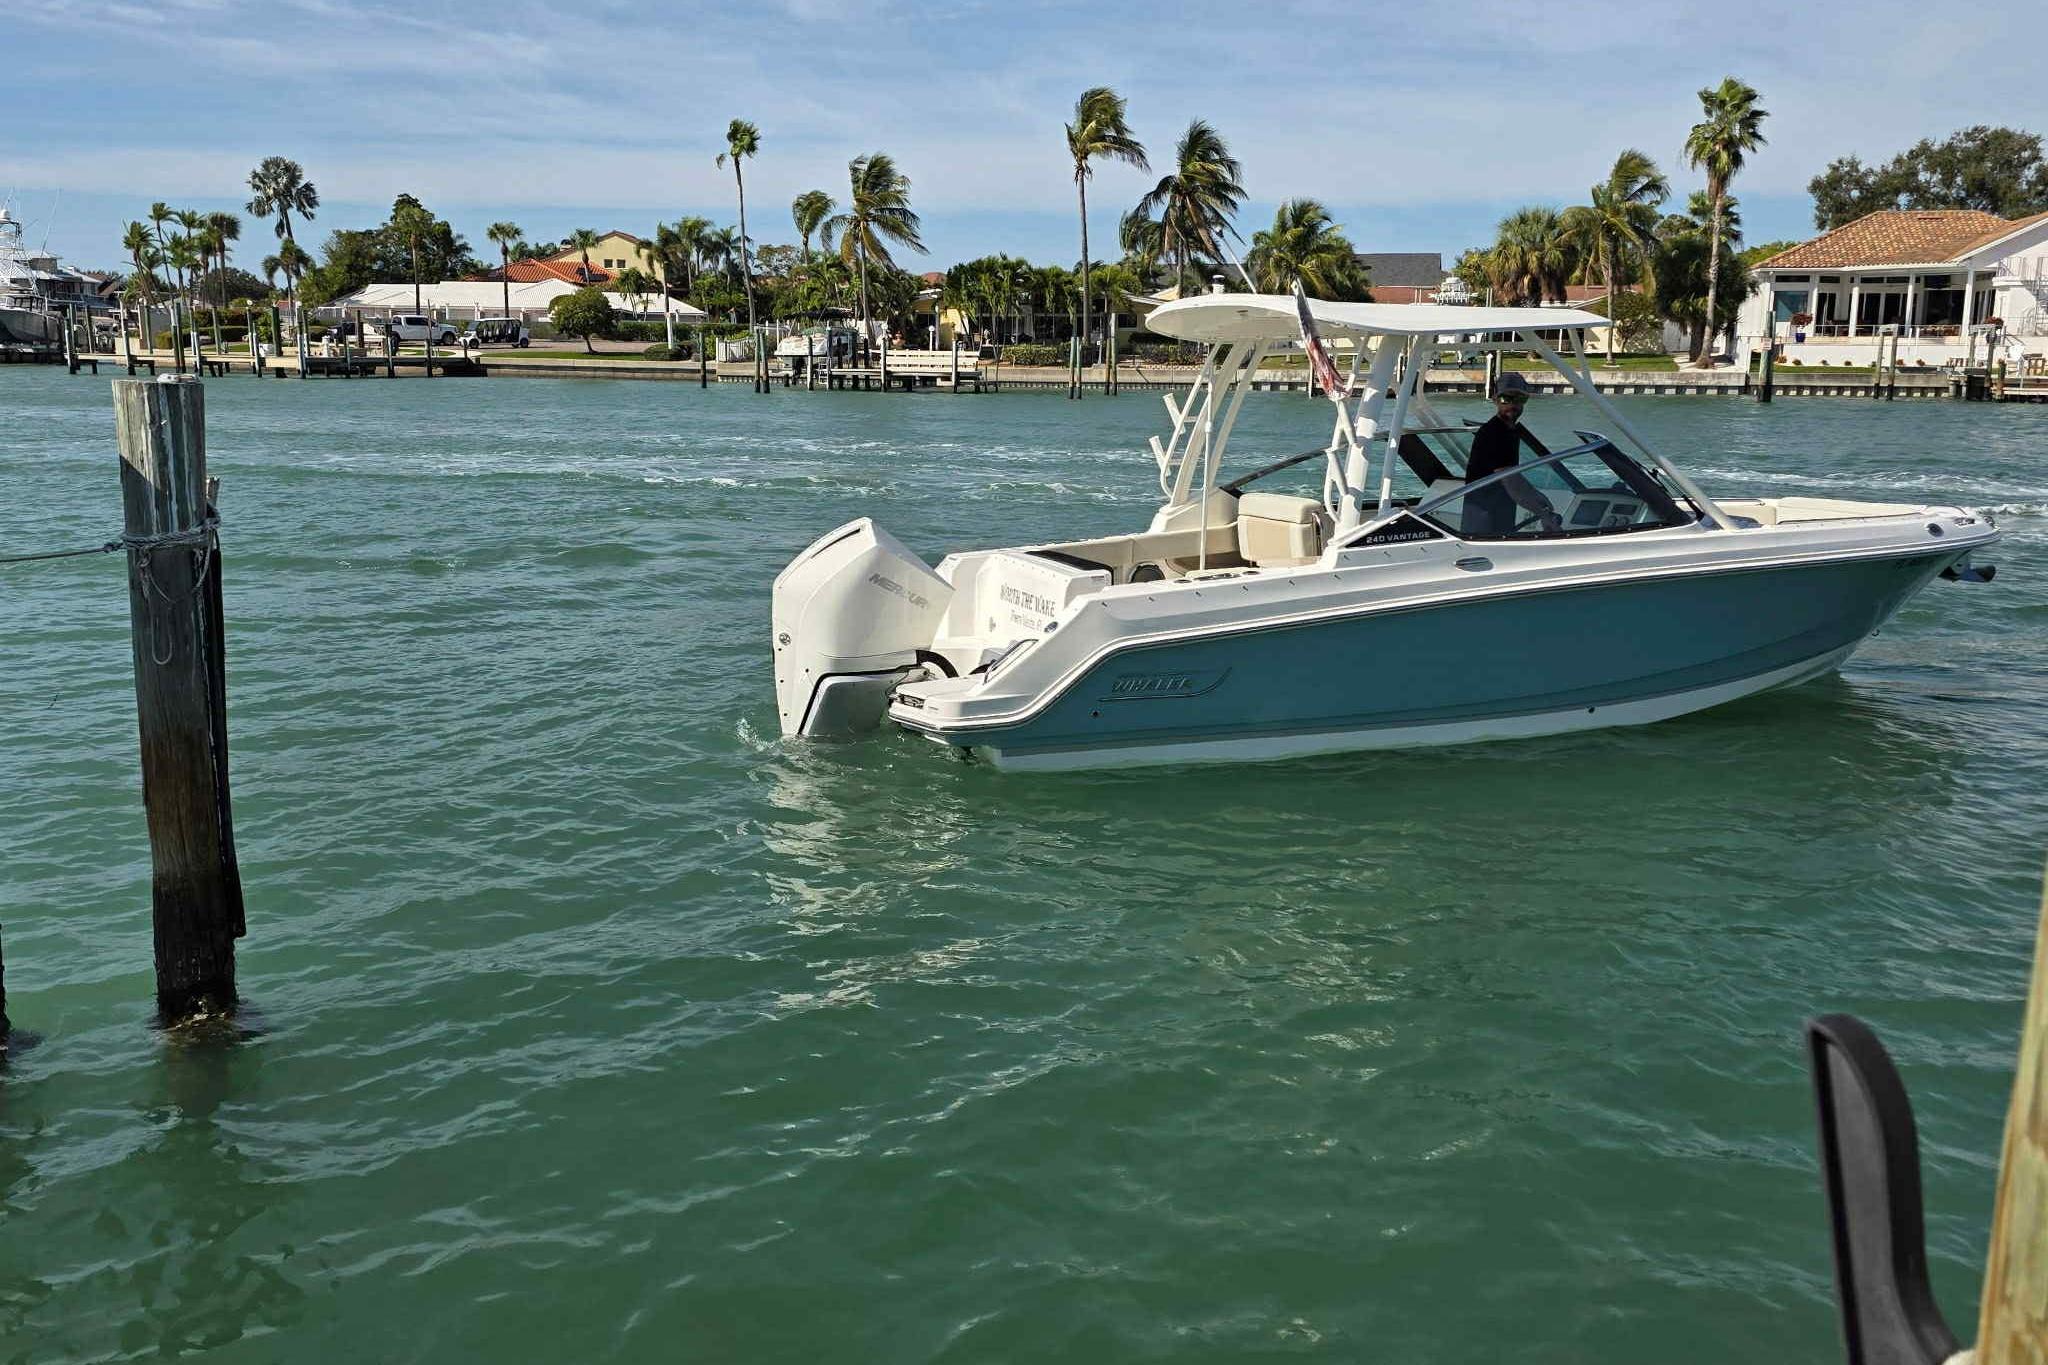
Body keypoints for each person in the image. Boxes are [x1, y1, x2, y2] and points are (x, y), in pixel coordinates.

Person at [1462, 374, 1561, 537]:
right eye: (1505, 399)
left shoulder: (1510, 432)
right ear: (1495, 400)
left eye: (1519, 399)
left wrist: (1535, 495)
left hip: (1496, 515)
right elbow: (1510, 480)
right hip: (1485, 523)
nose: (1512, 405)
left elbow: (1511, 475)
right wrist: (1543, 515)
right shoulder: (1494, 433)